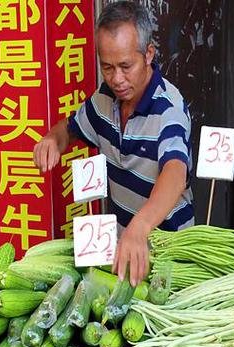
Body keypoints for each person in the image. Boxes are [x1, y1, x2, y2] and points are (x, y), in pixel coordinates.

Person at [33, 1, 194, 287]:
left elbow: (175, 173)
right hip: (124, 248)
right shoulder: (104, 99)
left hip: (170, 251)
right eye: (107, 67)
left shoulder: (169, 108)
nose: (116, 79)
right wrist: (52, 140)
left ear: (148, 54)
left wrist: (140, 228)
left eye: (125, 66)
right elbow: (69, 129)